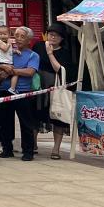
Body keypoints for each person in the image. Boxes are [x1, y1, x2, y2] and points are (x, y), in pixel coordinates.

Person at [0, 26, 40, 161]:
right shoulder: (9, 51)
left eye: (22, 36)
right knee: (5, 121)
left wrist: (12, 71)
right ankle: (7, 149)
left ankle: (28, 151)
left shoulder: (33, 55)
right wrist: (3, 67)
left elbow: (30, 72)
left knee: (26, 123)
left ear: (29, 40)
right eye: (16, 36)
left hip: (23, 92)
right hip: (4, 90)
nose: (18, 39)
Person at [34, 24, 72, 160]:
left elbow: (59, 70)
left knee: (58, 118)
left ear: (62, 38)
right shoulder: (38, 46)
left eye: (57, 35)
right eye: (51, 34)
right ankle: (33, 144)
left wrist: (50, 53)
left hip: (56, 87)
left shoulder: (64, 52)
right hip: (39, 86)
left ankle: (56, 149)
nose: (53, 37)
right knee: (35, 115)